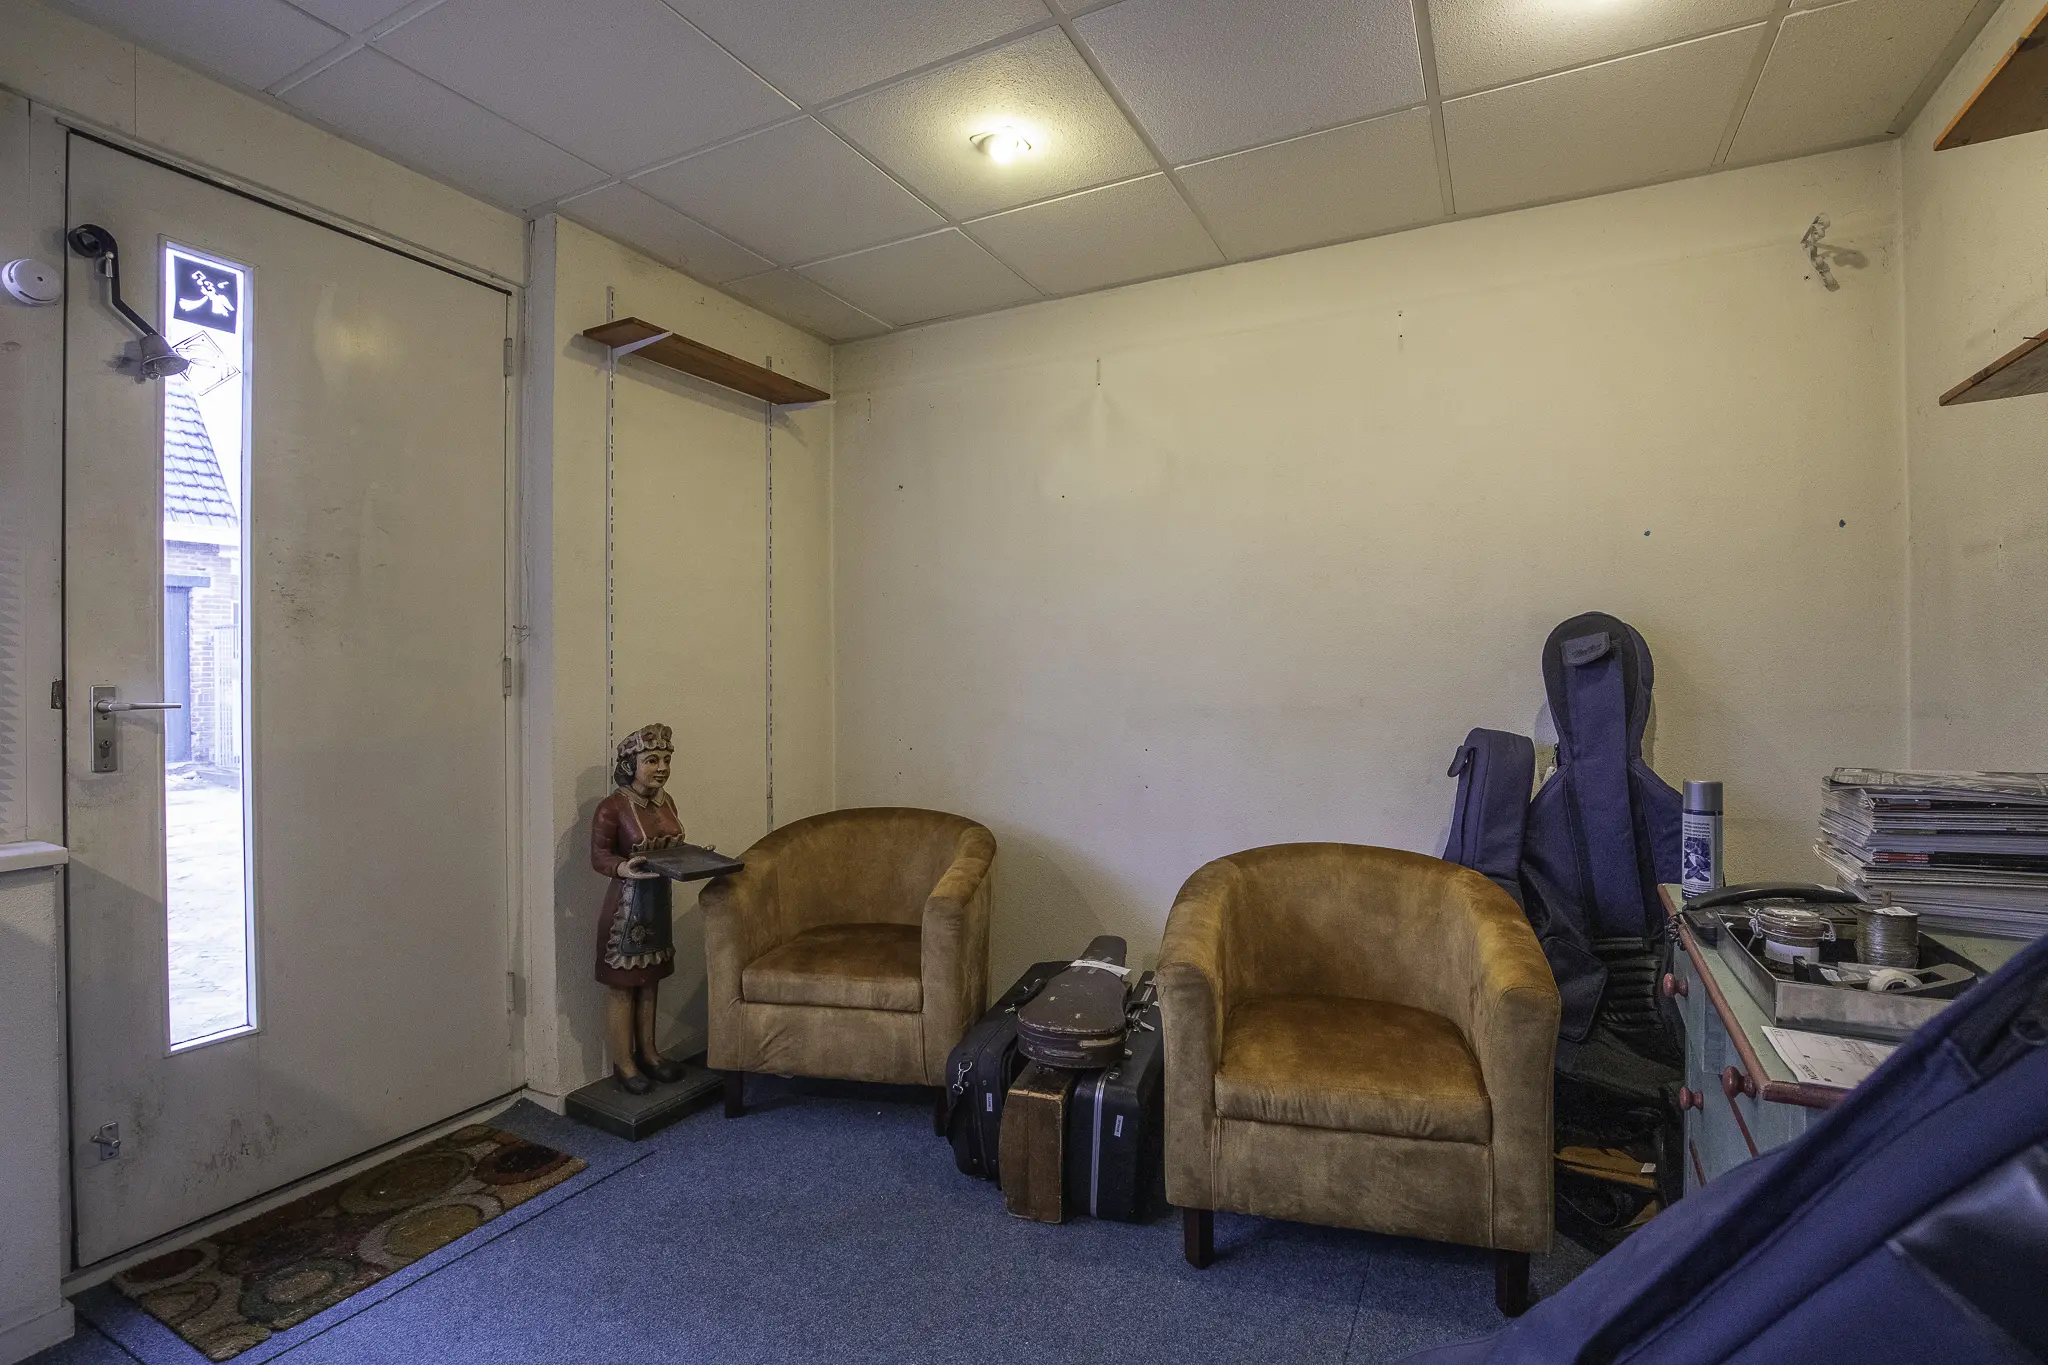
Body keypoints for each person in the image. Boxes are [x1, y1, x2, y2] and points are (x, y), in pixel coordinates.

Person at [590, 723, 689, 1094]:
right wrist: (622, 867)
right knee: (623, 985)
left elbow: (675, 845)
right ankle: (625, 1062)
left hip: (657, 904)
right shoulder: (612, 807)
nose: (661, 768)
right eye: (651, 760)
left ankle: (649, 1053)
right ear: (630, 765)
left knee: (650, 980)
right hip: (626, 907)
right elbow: (599, 856)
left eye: (665, 760)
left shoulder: (667, 801)